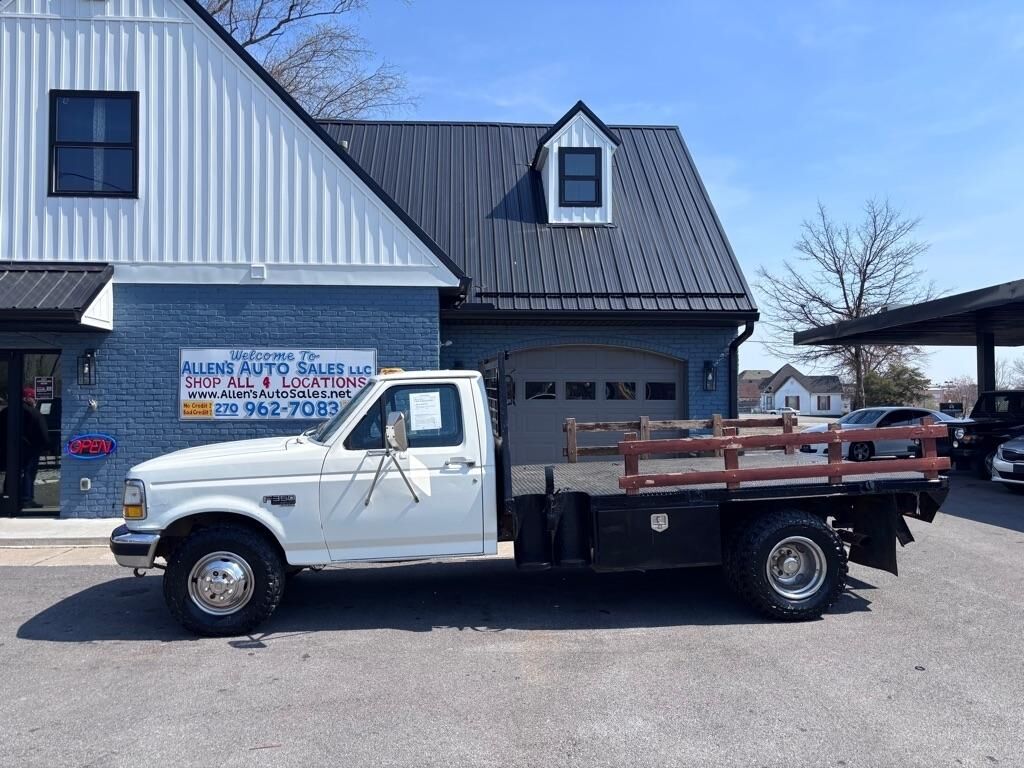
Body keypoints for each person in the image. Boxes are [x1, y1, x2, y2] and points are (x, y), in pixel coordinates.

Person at [0, 387, 50, 509]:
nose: (35, 400)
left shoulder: (6, 412)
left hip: (9, 448)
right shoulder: (34, 413)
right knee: (28, 472)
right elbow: (43, 433)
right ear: (27, 398)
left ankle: (9, 495)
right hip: (30, 449)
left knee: (11, 472)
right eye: (33, 397)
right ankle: (26, 499)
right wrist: (47, 446)